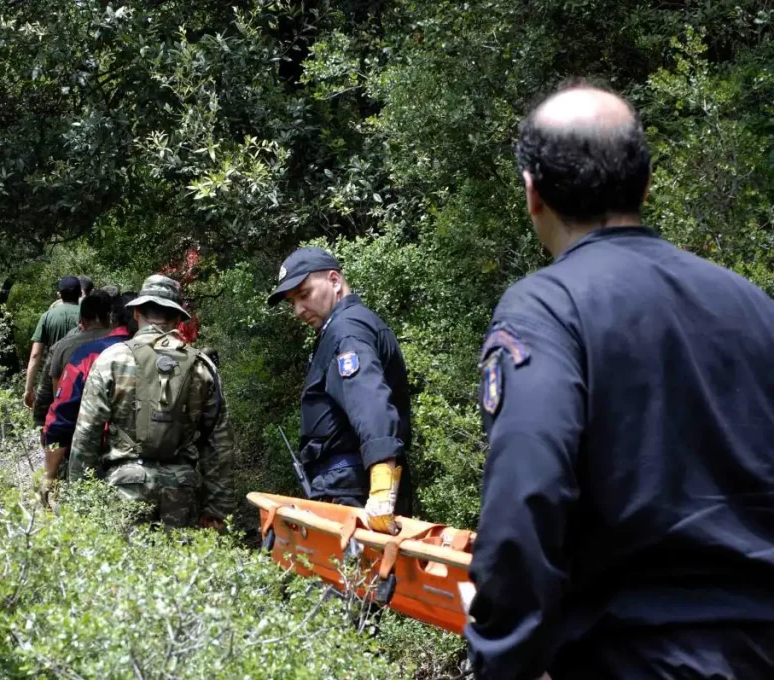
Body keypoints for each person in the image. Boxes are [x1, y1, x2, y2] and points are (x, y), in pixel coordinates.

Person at [464, 80, 774, 680]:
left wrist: (503, 656)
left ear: (533, 192)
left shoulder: (547, 308)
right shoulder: (753, 306)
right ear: (645, 184)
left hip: (633, 656)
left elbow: (529, 485)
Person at [68, 275, 236, 529]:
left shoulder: (112, 359)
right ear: (178, 318)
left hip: (126, 486)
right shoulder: (202, 366)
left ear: (137, 313)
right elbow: (218, 444)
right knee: (179, 566)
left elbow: (86, 434)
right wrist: (218, 509)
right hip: (182, 488)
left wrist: (80, 506)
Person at [267, 247, 413, 534]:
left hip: (352, 486)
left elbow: (369, 400)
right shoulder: (346, 326)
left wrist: (382, 489)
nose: (298, 310)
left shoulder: (347, 330)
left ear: (334, 281)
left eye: (304, 294)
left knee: (350, 577)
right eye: (292, 302)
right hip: (348, 482)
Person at [41, 292, 136, 498]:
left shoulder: (88, 355)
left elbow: (62, 416)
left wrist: (49, 475)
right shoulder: (176, 356)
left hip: (102, 466)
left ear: (112, 317)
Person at [32, 290, 114, 432]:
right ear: (109, 317)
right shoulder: (125, 342)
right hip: (115, 426)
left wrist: (41, 424)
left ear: (81, 320)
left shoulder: (62, 347)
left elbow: (47, 394)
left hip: (75, 426)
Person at [24, 277, 82, 415]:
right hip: (80, 374)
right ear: (80, 294)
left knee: (45, 419)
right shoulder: (87, 315)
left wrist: (28, 389)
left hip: (52, 375)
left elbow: (35, 355)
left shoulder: (47, 316)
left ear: (59, 295)